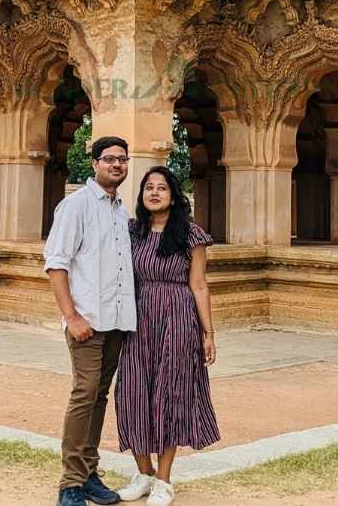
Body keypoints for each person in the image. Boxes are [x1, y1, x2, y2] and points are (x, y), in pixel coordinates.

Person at [114, 166, 220, 506]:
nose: (154, 193)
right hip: (137, 319)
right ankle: (143, 474)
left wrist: (208, 332)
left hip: (177, 317)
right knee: (131, 391)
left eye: (161, 188)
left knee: (170, 394)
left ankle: (164, 480)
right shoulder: (132, 232)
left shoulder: (190, 235)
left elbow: (199, 284)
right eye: (148, 188)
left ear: (174, 196)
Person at [44, 137, 136, 506]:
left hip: (116, 321)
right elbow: (56, 264)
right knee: (84, 395)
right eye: (110, 159)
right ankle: (70, 483)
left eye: (123, 160)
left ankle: (88, 473)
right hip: (87, 322)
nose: (117, 165)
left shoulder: (119, 210)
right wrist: (72, 317)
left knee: (99, 396)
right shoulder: (76, 206)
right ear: (94, 164)